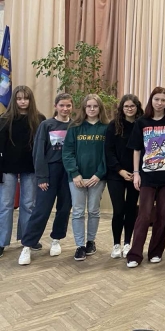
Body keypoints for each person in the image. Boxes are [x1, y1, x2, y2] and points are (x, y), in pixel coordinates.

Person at [126, 87, 165, 268]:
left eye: (163, 100)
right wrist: (136, 173)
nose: (160, 103)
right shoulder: (141, 122)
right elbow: (136, 149)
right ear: (151, 100)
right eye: (157, 99)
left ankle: (156, 252)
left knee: (162, 215)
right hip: (147, 176)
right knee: (144, 215)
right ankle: (135, 254)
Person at [19, 93, 74, 265]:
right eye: (62, 105)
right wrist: (42, 176)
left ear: (72, 107)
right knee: (41, 210)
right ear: (56, 106)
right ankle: (27, 245)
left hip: (69, 172)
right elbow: (38, 152)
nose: (65, 109)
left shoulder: (75, 126)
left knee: (64, 208)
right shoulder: (46, 125)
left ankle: (56, 239)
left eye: (68, 105)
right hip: (50, 172)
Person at [62, 94, 109, 261]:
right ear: (83, 108)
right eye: (89, 106)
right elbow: (67, 153)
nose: (92, 109)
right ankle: (80, 245)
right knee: (78, 211)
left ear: (100, 108)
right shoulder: (75, 127)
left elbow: (108, 154)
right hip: (77, 178)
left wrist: (99, 174)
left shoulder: (106, 128)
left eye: (95, 106)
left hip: (97, 178)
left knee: (94, 210)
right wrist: (75, 174)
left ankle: (90, 241)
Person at [0, 86, 45, 258]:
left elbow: (42, 147)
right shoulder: (4, 119)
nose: (22, 102)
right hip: (7, 168)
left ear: (30, 100)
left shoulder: (39, 119)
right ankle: (2, 241)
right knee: (5, 205)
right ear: (14, 100)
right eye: (19, 99)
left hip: (31, 168)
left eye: (26, 98)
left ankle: (28, 239)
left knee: (28, 204)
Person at [105, 94, 143, 259]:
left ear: (137, 107)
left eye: (132, 106)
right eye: (126, 106)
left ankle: (127, 243)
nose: (129, 109)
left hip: (136, 175)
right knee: (119, 210)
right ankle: (116, 244)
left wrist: (136, 172)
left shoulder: (141, 124)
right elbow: (108, 151)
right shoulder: (113, 125)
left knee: (131, 209)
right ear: (122, 108)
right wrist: (120, 170)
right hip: (116, 174)